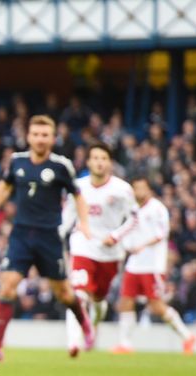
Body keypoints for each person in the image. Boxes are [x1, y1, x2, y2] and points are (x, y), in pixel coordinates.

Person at [0, 115, 94, 360]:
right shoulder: (17, 161)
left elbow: (78, 195)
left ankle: (84, 322)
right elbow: (5, 185)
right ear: (28, 137)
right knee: (8, 286)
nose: (40, 139)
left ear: (53, 138)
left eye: (45, 135)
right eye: (36, 134)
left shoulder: (61, 166)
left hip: (49, 236)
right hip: (21, 234)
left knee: (63, 293)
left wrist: (84, 222)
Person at [61, 143, 137, 357]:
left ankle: (92, 327)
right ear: (88, 162)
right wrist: (57, 235)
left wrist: (116, 236)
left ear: (109, 163)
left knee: (98, 300)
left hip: (110, 252)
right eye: (95, 158)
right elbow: (67, 217)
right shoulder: (77, 187)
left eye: (103, 158)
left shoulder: (122, 190)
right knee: (78, 293)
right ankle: (73, 342)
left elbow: (134, 218)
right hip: (82, 245)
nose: (99, 162)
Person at [110, 177, 196, 355]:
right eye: (136, 188)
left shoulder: (157, 209)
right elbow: (128, 230)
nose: (138, 192)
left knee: (156, 305)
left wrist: (142, 245)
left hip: (152, 264)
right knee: (126, 301)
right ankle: (125, 343)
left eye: (142, 188)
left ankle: (187, 336)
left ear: (149, 190)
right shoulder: (133, 209)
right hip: (134, 264)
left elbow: (162, 234)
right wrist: (125, 245)